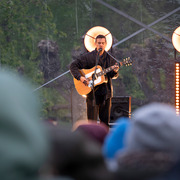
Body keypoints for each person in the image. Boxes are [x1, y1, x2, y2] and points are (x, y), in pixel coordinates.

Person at [70, 34, 119, 127]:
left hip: (106, 93)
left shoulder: (110, 58)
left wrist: (115, 71)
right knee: (91, 123)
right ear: (95, 44)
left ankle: (104, 140)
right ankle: (91, 140)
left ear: (105, 44)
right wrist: (80, 77)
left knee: (104, 123)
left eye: (102, 43)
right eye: (99, 43)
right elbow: (73, 66)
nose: (101, 45)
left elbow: (112, 75)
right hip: (91, 93)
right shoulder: (87, 57)